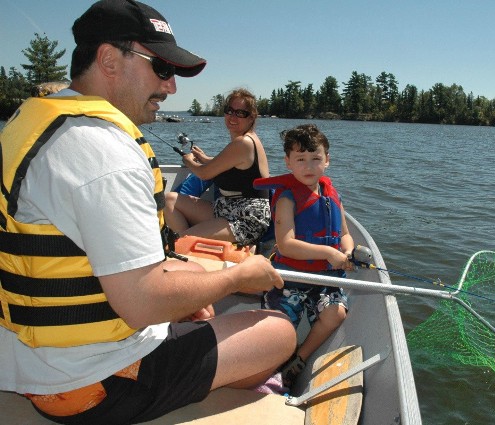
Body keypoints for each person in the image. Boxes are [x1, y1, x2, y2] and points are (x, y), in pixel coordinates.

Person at [0, 1, 296, 424]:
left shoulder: (30, 124)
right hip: (93, 383)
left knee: (193, 277)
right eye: (160, 68)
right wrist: (236, 278)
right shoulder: (104, 151)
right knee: (278, 330)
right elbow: (141, 303)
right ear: (108, 60)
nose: (171, 87)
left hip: (37, 360)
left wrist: (192, 290)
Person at [253, 124, 354, 386]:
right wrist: (328, 253)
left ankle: (300, 358)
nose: (309, 166)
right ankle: (271, 369)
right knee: (278, 331)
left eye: (316, 158)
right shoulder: (288, 198)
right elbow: (285, 245)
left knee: (336, 312)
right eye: (300, 159)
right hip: (291, 280)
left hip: (325, 281)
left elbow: (344, 233)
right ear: (288, 162)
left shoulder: (332, 196)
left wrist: (349, 252)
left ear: (327, 160)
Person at [163, 89, 271, 246]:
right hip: (226, 208)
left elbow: (204, 174)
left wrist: (189, 161)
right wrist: (204, 158)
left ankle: (182, 245)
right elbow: (232, 164)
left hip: (246, 219)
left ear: (251, 117)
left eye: (240, 113)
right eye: (229, 110)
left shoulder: (244, 143)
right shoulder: (245, 141)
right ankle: (187, 249)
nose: (233, 117)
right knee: (169, 200)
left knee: (179, 241)